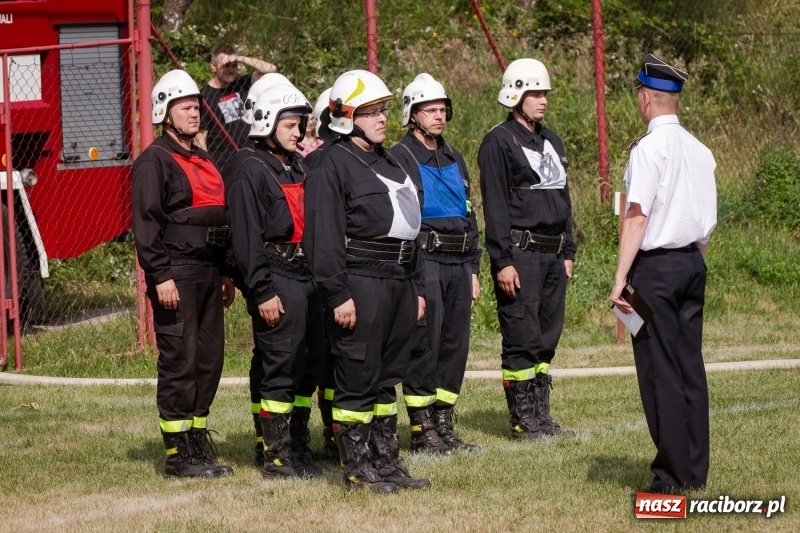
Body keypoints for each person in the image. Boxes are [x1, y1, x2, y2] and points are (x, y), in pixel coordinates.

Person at [304, 69, 430, 493]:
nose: (382, 119)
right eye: (371, 112)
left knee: (385, 376)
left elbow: (411, 227)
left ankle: (387, 463)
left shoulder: (389, 158)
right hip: (361, 280)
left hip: (399, 280)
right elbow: (322, 237)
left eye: (384, 110)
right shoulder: (332, 164)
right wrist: (338, 294)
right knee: (357, 376)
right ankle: (358, 468)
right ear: (345, 116)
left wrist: (415, 288)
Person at [609, 54, 716, 493]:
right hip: (693, 261)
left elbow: (636, 216)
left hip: (654, 268)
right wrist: (695, 258)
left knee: (659, 369)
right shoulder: (699, 148)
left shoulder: (648, 149)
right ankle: (694, 468)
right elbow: (705, 218)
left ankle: (671, 476)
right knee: (690, 365)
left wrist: (620, 278)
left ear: (646, 98)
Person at [132, 69, 236, 478]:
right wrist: (160, 276)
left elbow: (219, 217)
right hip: (176, 272)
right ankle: (178, 455)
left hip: (210, 272)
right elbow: (146, 223)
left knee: (209, 360)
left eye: (196, 106)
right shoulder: (153, 161)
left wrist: (227, 271)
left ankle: (197, 441)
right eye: (186, 107)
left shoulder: (204, 159)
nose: (195, 113)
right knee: (181, 358)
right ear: (165, 112)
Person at [223, 83, 326, 479]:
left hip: (308, 276)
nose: (299, 132)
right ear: (267, 121)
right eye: (291, 124)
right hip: (277, 274)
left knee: (310, 360)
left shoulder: (294, 164)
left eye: (301, 124)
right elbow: (246, 238)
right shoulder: (250, 168)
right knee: (281, 363)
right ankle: (277, 454)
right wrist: (262, 291)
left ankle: (298, 445)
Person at [478, 58, 577, 440]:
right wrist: (502, 260)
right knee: (522, 334)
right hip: (521, 252)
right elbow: (496, 207)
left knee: (547, 335)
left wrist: (569, 251)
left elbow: (564, 198)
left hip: (554, 255)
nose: (542, 100)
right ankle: (523, 419)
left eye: (545, 93)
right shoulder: (498, 141)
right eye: (535, 93)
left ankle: (542, 415)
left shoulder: (552, 140)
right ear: (515, 95)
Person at [391, 73, 481, 454]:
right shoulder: (401, 156)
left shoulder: (455, 156)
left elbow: (470, 213)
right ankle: (421, 427)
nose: (438, 116)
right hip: (425, 259)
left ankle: (444, 422)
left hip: (460, 261)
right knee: (424, 343)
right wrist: (413, 281)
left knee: (453, 344)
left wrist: (474, 268)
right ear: (413, 114)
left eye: (443, 109)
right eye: (430, 110)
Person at [196, 44, 277, 168]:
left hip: (250, 157)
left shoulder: (241, 84)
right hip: (223, 163)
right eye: (226, 65)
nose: (231, 69)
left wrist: (240, 58)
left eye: (234, 65)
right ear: (213, 66)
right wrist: (209, 168)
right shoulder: (204, 96)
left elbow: (271, 69)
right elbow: (200, 139)